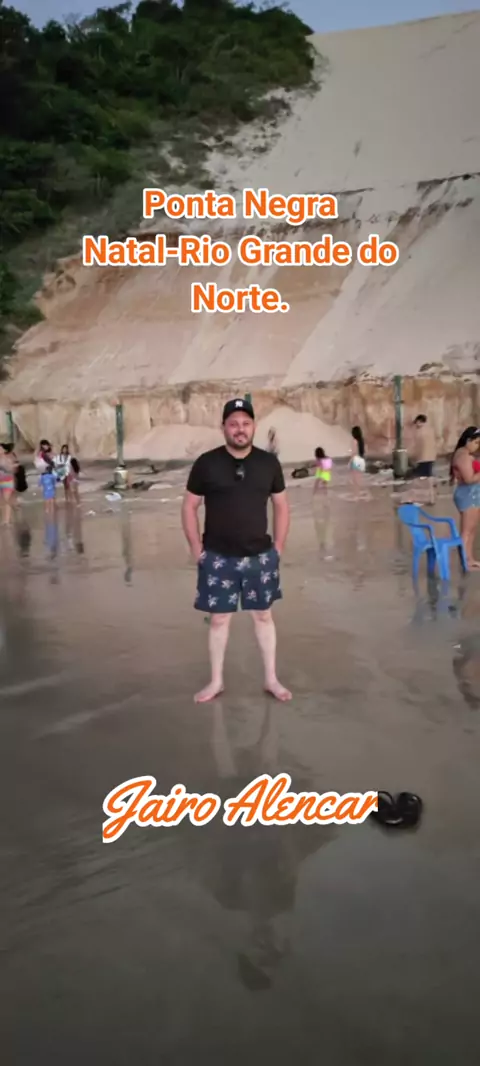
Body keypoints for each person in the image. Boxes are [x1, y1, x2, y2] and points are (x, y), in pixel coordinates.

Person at [182, 397, 291, 704]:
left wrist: (278, 547)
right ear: (224, 428)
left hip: (260, 556)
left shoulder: (268, 464)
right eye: (233, 424)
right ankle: (216, 681)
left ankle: (271, 679)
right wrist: (196, 547)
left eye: (245, 423)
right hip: (218, 556)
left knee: (264, 617)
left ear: (254, 426)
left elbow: (281, 505)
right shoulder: (206, 463)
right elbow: (189, 506)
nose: (240, 429)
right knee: (218, 620)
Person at [450, 426, 480, 569]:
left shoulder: (465, 453)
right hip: (468, 494)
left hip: (472, 494)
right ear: (468, 440)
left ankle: (469, 558)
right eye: (476, 442)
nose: (477, 446)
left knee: (472, 529)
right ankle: (464, 559)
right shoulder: (463, 456)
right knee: (467, 530)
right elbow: (469, 479)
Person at [411, 413, 437, 504]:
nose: (416, 425)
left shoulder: (420, 432)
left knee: (416, 478)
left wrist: (415, 458)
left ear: (420, 421)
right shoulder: (430, 430)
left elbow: (419, 447)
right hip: (430, 457)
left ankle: (417, 498)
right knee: (428, 477)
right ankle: (431, 498)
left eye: (417, 423)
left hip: (423, 458)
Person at [0, 443, 17, 525]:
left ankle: (7, 520)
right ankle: (4, 519)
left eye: (0, 448)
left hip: (8, 481)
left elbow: (12, 469)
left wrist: (8, 467)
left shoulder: (8, 458)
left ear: (4, 450)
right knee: (2, 501)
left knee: (7, 500)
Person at [349, 426, 368, 498]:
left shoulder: (354, 441)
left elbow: (353, 453)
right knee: (359, 478)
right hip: (361, 460)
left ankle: (356, 494)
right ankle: (359, 493)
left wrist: (350, 462)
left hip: (356, 460)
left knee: (355, 479)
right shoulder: (361, 441)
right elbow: (364, 452)